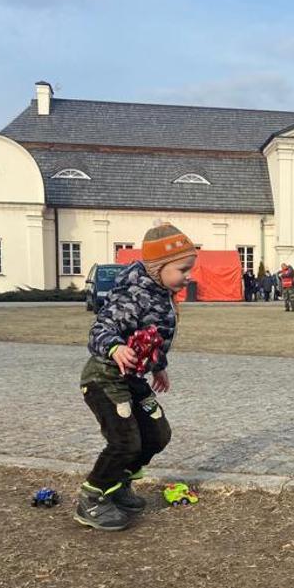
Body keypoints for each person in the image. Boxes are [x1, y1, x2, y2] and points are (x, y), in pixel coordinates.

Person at [77, 223, 197, 531]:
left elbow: (152, 336)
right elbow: (99, 330)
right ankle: (92, 498)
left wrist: (158, 366)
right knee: (125, 442)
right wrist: (115, 347)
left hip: (131, 379)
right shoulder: (133, 293)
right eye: (183, 269)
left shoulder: (162, 292)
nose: (188, 276)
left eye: (189, 269)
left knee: (158, 434)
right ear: (159, 267)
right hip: (103, 377)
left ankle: (118, 485)